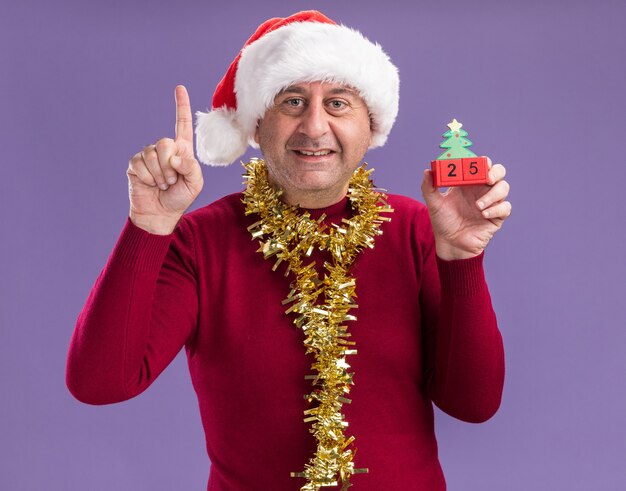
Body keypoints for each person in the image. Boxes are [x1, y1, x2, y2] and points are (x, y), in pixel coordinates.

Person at [66, 10, 511, 491]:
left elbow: (474, 404)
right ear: (256, 126)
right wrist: (148, 225)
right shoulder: (200, 240)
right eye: (292, 101)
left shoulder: (414, 228)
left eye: (338, 103)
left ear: (371, 126)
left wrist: (464, 258)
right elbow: (99, 383)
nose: (314, 126)